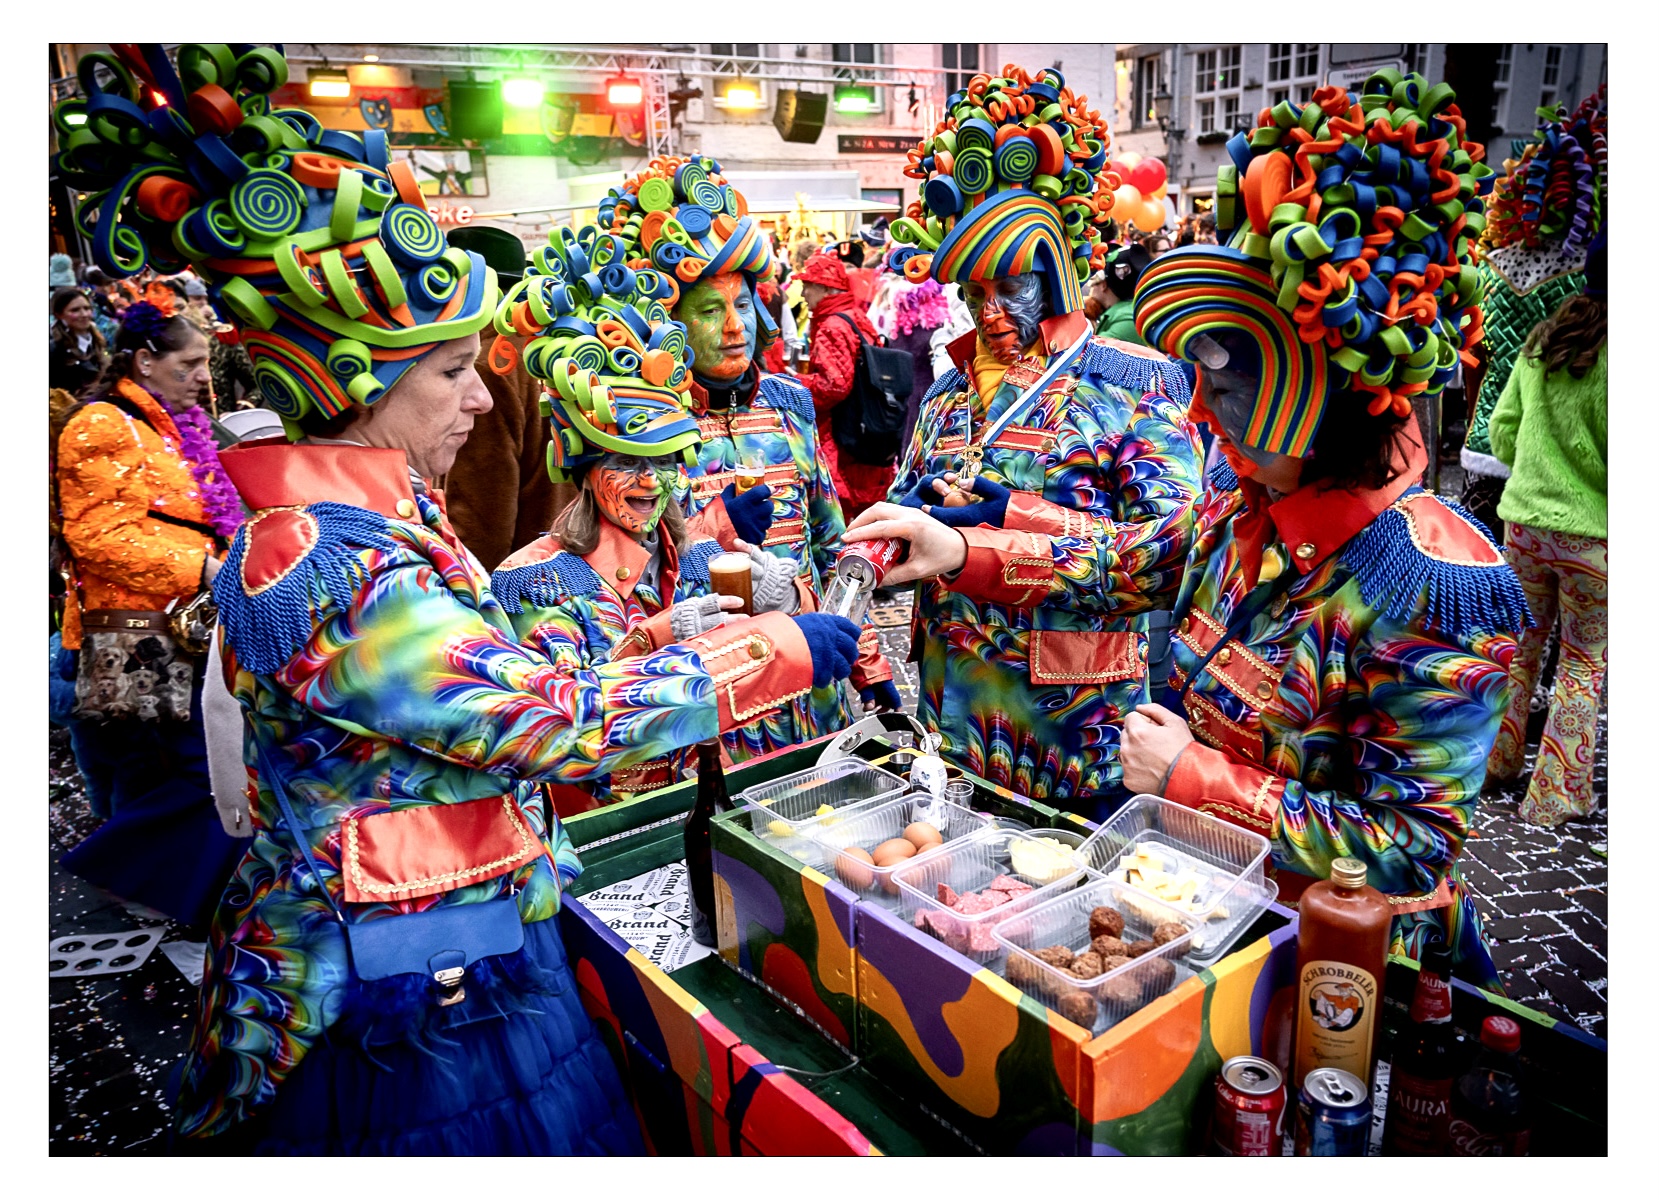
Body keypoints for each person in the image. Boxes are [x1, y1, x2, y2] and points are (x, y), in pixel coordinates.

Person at [55, 42, 860, 1153]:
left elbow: (481, 696)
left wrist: (657, 637)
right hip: (406, 992)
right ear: (349, 382)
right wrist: (777, 648)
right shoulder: (345, 566)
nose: (484, 401)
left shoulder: (365, 522)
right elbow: (548, 723)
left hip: (439, 930)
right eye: (449, 373)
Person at [1122, 73, 1530, 989]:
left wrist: (1194, 779)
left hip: (1343, 979)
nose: (1196, 408)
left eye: (1224, 380)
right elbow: (1135, 562)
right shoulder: (1245, 503)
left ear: (1313, 388)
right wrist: (965, 549)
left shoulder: (1432, 585)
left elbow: (1411, 845)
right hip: (1213, 922)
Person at [847, 64, 1202, 817]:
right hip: (953, 730)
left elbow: (1176, 559)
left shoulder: (1131, 385)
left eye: (1010, 285)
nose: (992, 311)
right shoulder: (945, 395)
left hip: (1077, 741)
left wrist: (1009, 521)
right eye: (973, 293)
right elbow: (911, 533)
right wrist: (899, 534)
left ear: (1060, 269)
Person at [490, 235, 813, 810]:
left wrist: (787, 602)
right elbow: (565, 724)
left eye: (664, 462)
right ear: (584, 468)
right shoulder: (536, 580)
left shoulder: (696, 556)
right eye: (623, 462)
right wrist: (659, 637)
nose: (648, 481)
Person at [599, 159, 901, 757]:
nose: (736, 327)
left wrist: (870, 668)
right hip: (713, 707)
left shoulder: (789, 402)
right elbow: (626, 581)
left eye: (743, 305)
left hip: (816, 692)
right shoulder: (637, 428)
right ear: (666, 324)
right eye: (711, 311)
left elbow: (831, 548)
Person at [53, 300, 245, 926]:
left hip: (179, 629)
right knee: (180, 770)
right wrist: (204, 567)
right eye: (190, 363)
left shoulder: (172, 423)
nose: (202, 377)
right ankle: (127, 876)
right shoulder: (103, 424)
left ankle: (150, 884)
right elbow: (100, 538)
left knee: (183, 767)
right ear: (145, 360)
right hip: (136, 636)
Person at [1486, 234, 1607, 828]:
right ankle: (1554, 794)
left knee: (1521, 647)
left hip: (1525, 527)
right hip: (1595, 537)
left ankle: (1496, 761)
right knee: (1583, 661)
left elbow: (1503, 431)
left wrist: (1542, 465)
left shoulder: (1542, 340)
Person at [1462, 88, 1606, 541]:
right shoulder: (1587, 275)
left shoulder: (1493, 263)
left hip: (1485, 439)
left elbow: (1477, 353)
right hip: (1550, 460)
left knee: (1481, 570)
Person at [435, 224, 575, 572]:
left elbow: (481, 506)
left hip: (517, 577)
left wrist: (473, 587)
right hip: (573, 560)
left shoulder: (486, 365)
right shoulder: (555, 348)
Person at [797, 250, 897, 520]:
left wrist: (796, 384)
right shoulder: (854, 315)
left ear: (823, 287)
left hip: (844, 434)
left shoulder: (831, 325)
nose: (803, 294)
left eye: (807, 286)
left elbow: (834, 386)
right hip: (868, 427)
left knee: (842, 513)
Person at [49, 287, 108, 394]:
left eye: (87, 308)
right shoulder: (54, 350)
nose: (84, 314)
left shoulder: (97, 341)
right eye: (75, 310)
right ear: (59, 314)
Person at [1094, 244, 1152, 344]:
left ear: (1104, 284)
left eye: (1094, 280)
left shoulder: (1127, 319)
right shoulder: (1132, 311)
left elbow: (1087, 353)